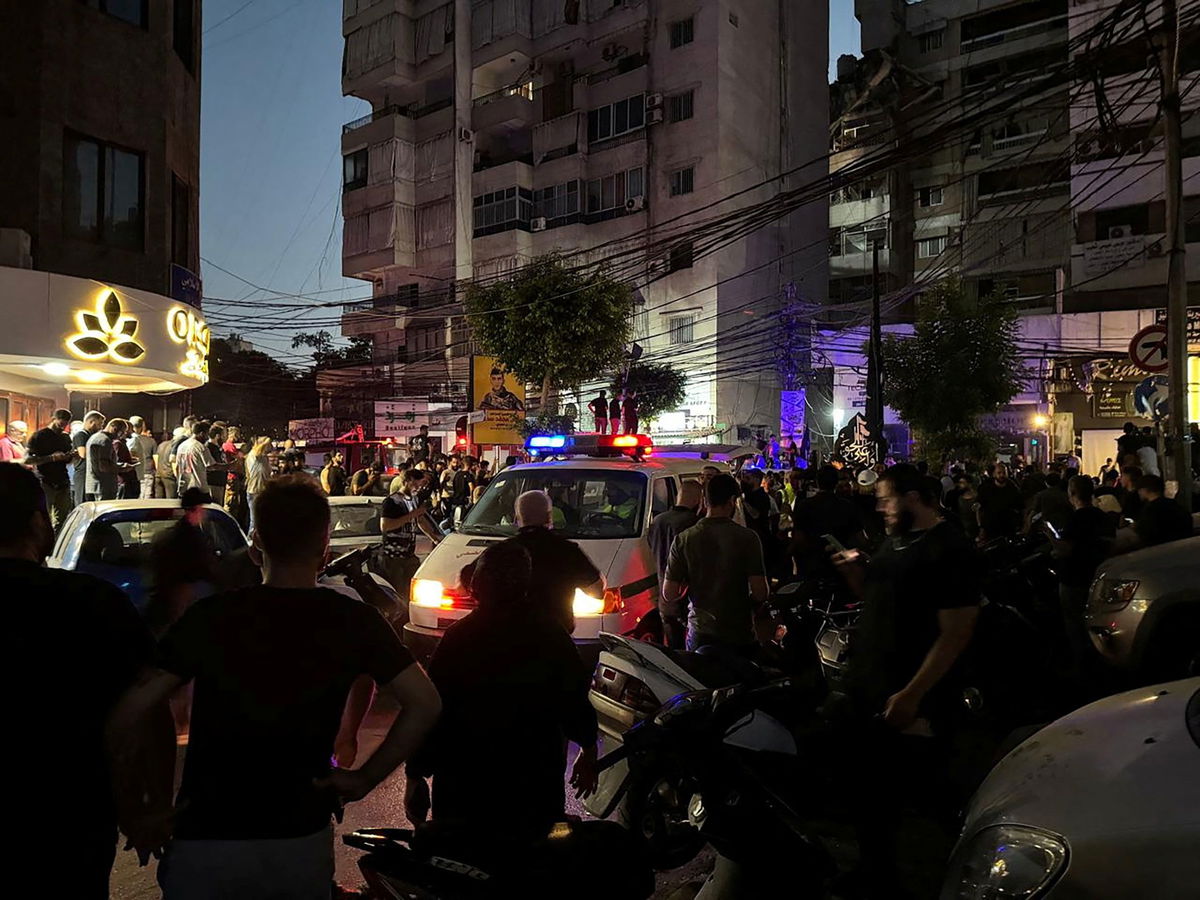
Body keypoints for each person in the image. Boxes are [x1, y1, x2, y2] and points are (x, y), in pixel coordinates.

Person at [109, 476, 442, 899]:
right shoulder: (353, 620)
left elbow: (128, 713)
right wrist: (364, 779)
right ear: (325, 549)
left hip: (206, 839)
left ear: (255, 544)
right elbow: (425, 703)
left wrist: (136, 811)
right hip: (298, 839)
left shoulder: (211, 617)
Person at [2, 463, 166, 898]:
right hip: (72, 817)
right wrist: (146, 806)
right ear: (39, 523)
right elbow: (149, 706)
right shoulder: (93, 602)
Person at [831, 463, 980, 892]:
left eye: (886, 498)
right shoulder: (895, 542)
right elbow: (877, 599)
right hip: (872, 684)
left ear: (913, 498)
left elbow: (956, 632)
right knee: (868, 790)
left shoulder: (949, 549)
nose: (880, 508)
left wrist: (914, 694)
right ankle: (875, 871)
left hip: (913, 694)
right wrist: (854, 572)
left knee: (923, 793)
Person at [404, 541, 596, 837]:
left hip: (465, 786)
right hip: (533, 786)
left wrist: (415, 776)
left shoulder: (459, 638)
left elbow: (433, 710)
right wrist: (588, 749)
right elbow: (574, 701)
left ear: (477, 585)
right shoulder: (550, 635)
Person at [662, 473, 769, 654]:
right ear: (732, 501)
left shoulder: (684, 539)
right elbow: (760, 592)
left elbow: (669, 593)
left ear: (705, 500)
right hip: (738, 632)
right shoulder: (748, 538)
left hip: (700, 632)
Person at [505, 490, 603, 633]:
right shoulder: (568, 551)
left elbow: (465, 581)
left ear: (517, 518)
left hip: (510, 641)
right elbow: (597, 590)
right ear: (549, 517)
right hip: (556, 640)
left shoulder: (502, 551)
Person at [1048, 475, 1115, 675]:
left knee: (1074, 623)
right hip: (1099, 576)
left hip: (1074, 578)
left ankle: (1081, 665)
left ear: (1072, 494)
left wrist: (1050, 536)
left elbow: (1065, 549)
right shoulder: (1102, 517)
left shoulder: (1075, 519)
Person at [649, 480, 703, 648]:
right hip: (686, 597)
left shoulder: (657, 521)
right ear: (698, 499)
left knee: (673, 645)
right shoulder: (693, 524)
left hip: (664, 597)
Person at [379, 468, 443, 598]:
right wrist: (412, 515)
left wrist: (435, 539)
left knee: (413, 590)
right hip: (393, 557)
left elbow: (420, 521)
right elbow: (385, 526)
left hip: (409, 555)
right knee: (398, 591)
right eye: (418, 484)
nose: (420, 488)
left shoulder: (414, 500)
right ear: (408, 481)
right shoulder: (392, 501)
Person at [791, 464, 862, 579]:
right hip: (841, 565)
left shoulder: (805, 505)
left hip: (813, 565)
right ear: (836, 483)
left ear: (818, 482)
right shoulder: (847, 506)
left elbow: (799, 538)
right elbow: (858, 537)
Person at [23, 408, 75, 529]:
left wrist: (71, 456)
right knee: (43, 518)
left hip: (63, 480)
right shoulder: (39, 436)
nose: (62, 427)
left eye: (65, 424)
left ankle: (56, 544)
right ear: (53, 419)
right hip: (44, 481)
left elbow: (67, 458)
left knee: (62, 519)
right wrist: (51, 458)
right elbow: (27, 459)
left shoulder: (65, 437)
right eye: (60, 423)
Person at [1134, 474, 1193, 547]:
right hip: (1184, 547)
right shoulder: (1176, 506)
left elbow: (1146, 534)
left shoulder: (1150, 511)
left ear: (1145, 490)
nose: (1138, 492)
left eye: (1139, 489)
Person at [86, 417, 131, 502]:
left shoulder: (94, 437)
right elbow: (103, 466)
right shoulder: (105, 441)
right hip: (104, 486)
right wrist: (122, 468)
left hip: (94, 485)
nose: (121, 436)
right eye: (121, 432)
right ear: (113, 428)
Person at [176, 421, 226, 496]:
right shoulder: (200, 447)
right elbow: (211, 466)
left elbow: (177, 466)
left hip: (184, 487)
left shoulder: (182, 446)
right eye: (207, 434)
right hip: (198, 489)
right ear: (202, 434)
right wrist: (229, 466)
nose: (207, 437)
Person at [976, 462, 1023, 541]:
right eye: (999, 473)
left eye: (1004, 473)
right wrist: (980, 527)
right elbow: (979, 509)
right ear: (994, 474)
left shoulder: (1013, 488)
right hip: (991, 528)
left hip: (1008, 528)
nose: (1001, 475)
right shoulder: (986, 489)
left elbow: (1021, 507)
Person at [72, 411, 105, 506]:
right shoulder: (81, 435)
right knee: (82, 503)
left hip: (90, 474)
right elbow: (83, 454)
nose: (101, 427)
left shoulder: (91, 436)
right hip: (82, 473)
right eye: (99, 424)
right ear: (92, 422)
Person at [244, 436, 273, 533]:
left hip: (262, 490)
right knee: (254, 521)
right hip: (254, 490)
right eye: (269, 445)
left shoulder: (264, 457)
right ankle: (250, 541)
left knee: (261, 520)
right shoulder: (254, 455)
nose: (271, 447)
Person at [126, 416, 158, 500]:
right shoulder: (151, 441)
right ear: (142, 426)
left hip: (131, 473)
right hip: (147, 471)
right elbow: (155, 458)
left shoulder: (125, 440)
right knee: (146, 497)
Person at [203, 425, 228, 506]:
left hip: (219, 483)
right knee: (215, 506)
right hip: (213, 483)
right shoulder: (209, 448)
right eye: (224, 436)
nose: (225, 438)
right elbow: (211, 466)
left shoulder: (217, 448)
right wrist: (229, 466)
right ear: (218, 436)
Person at [156, 429, 181, 500]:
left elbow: (156, 459)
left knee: (158, 503)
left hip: (158, 475)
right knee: (170, 503)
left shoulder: (162, 444)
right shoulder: (176, 447)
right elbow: (174, 463)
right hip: (169, 477)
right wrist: (177, 477)